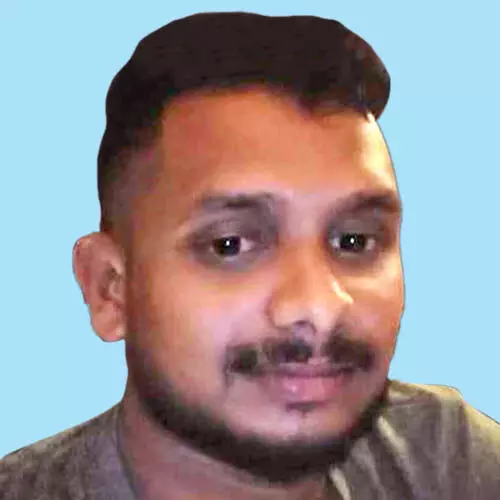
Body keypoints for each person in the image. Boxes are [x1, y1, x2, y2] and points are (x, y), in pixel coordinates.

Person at [1, 11, 499, 500]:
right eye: (230, 245)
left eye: (354, 241)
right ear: (110, 290)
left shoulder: (446, 457)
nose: (320, 306)